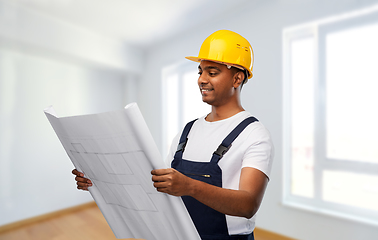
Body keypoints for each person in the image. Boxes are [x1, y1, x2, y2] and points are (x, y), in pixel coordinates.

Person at [72, 30, 273, 240]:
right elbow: (158, 188)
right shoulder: (187, 132)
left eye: (212, 73)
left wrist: (189, 186)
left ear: (237, 78)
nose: (201, 80)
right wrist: (98, 182)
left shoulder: (254, 134)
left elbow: (248, 204)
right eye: (200, 72)